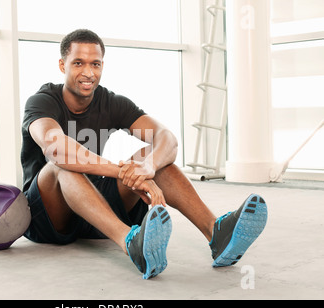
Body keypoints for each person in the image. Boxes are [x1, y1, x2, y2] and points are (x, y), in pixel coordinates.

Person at [20, 29, 268, 280]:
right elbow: (57, 150)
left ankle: (217, 233)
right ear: (63, 65)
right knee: (62, 166)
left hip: (93, 208)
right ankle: (130, 242)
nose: (88, 72)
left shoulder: (111, 102)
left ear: (102, 65)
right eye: (78, 63)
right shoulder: (42, 101)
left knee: (157, 159)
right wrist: (123, 172)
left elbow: (167, 140)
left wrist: (147, 168)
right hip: (48, 216)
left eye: (95, 64)